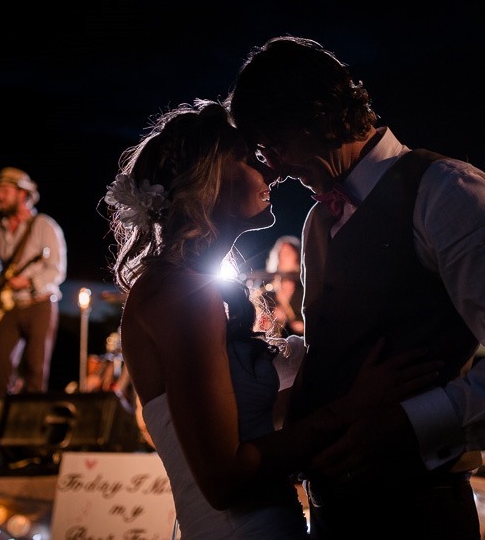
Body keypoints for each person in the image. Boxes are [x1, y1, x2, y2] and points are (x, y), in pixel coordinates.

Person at [227, 35, 485, 539]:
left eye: (274, 145)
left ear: (314, 114)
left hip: (418, 515)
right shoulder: (315, 223)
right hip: (332, 514)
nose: (276, 168)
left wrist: (411, 423)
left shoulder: (449, 191)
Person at [104, 99, 442, 539]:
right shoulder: (182, 294)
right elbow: (225, 478)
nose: (271, 172)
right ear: (208, 181)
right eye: (249, 159)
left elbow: (248, 426)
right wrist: (352, 406)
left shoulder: (184, 288)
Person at [0, 167, 67, 426]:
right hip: (8, 307)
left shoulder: (44, 226)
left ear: (23, 194)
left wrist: (28, 281)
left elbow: (57, 270)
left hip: (40, 304)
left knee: (35, 372)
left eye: (5, 191)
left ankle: (28, 438)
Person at [263, 235, 304, 336]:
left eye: (288, 253)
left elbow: (309, 327)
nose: (282, 257)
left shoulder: (304, 290)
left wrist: (287, 318)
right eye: (280, 253)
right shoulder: (267, 291)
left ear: (297, 258)